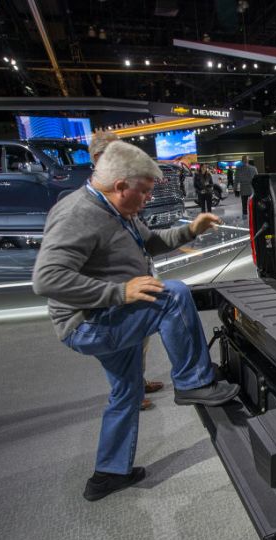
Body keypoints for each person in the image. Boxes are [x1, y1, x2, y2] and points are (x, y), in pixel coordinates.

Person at [33, 141, 239, 501]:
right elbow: (46, 279)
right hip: (89, 324)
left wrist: (192, 229)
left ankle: (108, 474)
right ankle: (193, 382)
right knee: (171, 295)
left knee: (126, 392)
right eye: (143, 191)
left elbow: (153, 243)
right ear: (120, 186)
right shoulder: (78, 214)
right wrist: (119, 293)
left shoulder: (116, 211)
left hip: (109, 318)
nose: (146, 199)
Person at [89, 131, 163, 409]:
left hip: (136, 274)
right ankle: (128, 393)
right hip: (114, 284)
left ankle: (137, 383)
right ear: (98, 158)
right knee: (121, 341)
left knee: (139, 336)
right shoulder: (93, 196)